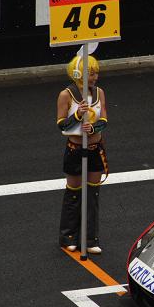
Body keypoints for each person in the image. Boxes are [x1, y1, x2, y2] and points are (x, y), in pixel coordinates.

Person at [57, 55, 108, 254]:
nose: (95, 77)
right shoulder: (66, 95)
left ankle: (90, 239)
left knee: (92, 195)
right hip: (75, 149)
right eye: (91, 74)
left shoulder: (99, 92)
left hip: (95, 149)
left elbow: (104, 119)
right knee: (74, 193)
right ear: (78, 74)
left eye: (96, 73)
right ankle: (68, 237)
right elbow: (62, 124)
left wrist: (93, 128)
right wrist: (78, 115)